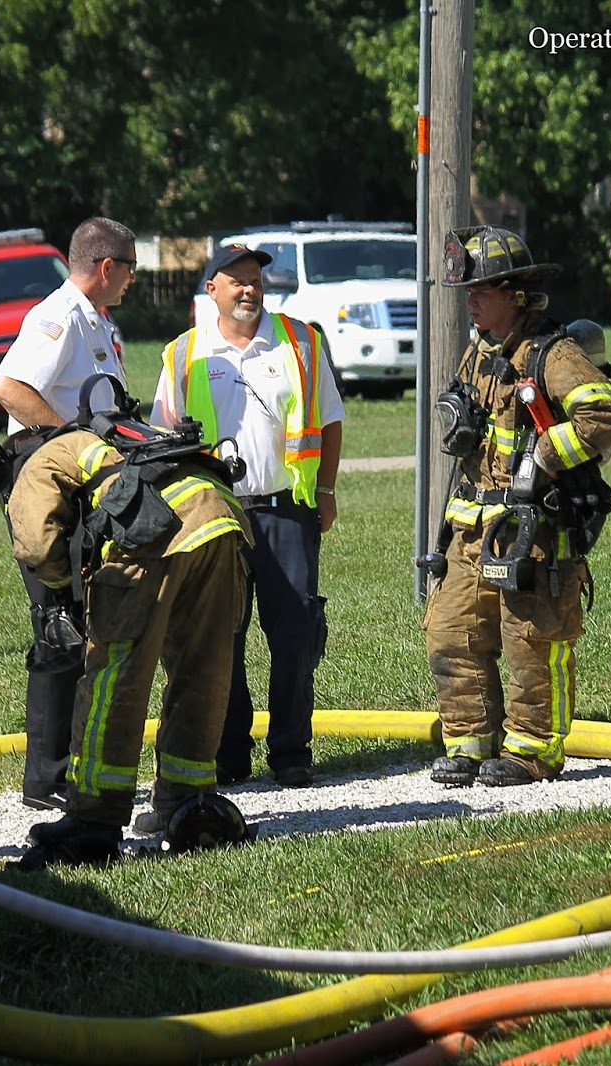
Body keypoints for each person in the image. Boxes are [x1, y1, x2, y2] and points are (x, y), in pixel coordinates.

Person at [423, 226, 611, 788]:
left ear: (515, 294)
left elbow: (605, 418)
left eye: (481, 292)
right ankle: (470, 744)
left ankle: (532, 752)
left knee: (530, 639)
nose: (471, 303)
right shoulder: (479, 353)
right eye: (468, 293)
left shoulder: (552, 354)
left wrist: (543, 456)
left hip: (531, 526)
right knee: (452, 632)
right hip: (470, 528)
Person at [6, 418, 250, 866]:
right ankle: (187, 803)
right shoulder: (123, 439)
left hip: (150, 536)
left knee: (115, 679)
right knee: (202, 670)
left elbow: (36, 543)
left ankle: (92, 819)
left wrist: (63, 584)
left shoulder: (47, 457)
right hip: (219, 521)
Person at [152, 245, 344, 789]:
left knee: (295, 635)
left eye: (255, 279)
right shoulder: (182, 354)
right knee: (220, 639)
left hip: (288, 512)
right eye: (235, 280)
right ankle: (228, 753)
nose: (248, 289)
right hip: (216, 517)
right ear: (210, 289)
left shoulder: (301, 341)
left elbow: (329, 420)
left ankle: (291, 754)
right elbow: (164, 440)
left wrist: (325, 489)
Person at [0, 217, 138, 811]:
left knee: (86, 620)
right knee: (61, 625)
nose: (132, 279)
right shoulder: (60, 316)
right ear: (106, 267)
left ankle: (72, 765)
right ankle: (46, 780)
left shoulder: (95, 319)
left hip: (76, 485)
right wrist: (72, 441)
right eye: (129, 267)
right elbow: (9, 386)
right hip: (47, 486)